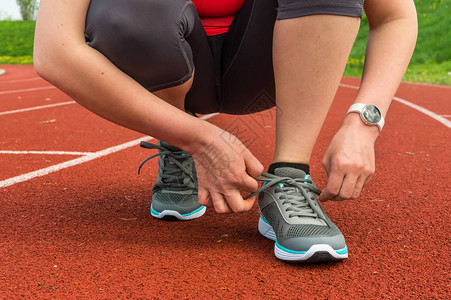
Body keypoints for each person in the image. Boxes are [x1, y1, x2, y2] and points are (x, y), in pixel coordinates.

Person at [34, 0, 417, 263]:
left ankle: (288, 177)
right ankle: (178, 146)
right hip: (171, 59)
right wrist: (198, 138)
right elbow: (55, 50)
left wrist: (365, 121)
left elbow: (395, 16)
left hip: (265, 65)